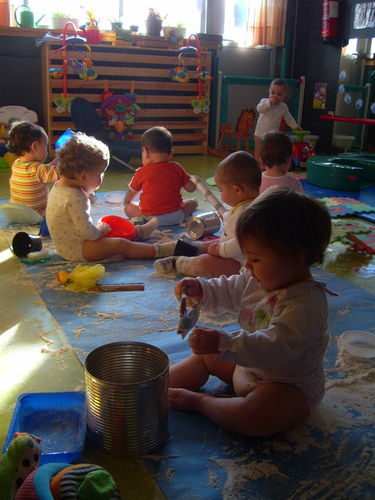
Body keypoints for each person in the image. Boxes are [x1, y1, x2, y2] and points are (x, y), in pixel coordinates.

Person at [168, 187, 337, 437]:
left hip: (284, 386)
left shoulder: (306, 306)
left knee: (257, 416)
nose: (247, 265)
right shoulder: (261, 276)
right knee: (204, 357)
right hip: (246, 366)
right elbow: (232, 288)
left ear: (294, 257)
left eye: (255, 259)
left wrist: (223, 343)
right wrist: (202, 289)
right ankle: (154, 387)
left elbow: (274, 346)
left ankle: (201, 403)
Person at [46, 132, 177, 262]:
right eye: (101, 173)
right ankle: (159, 250)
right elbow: (89, 233)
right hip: (76, 250)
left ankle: (139, 232)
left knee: (109, 227)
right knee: (120, 245)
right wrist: (100, 232)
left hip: (67, 244)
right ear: (83, 176)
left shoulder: (59, 186)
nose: (102, 177)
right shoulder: (76, 198)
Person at [154, 151, 261, 278]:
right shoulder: (251, 206)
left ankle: (179, 263)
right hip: (230, 250)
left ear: (237, 190)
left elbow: (241, 244)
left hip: (241, 263)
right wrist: (226, 217)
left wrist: (219, 250)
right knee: (208, 246)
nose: (220, 194)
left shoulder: (246, 215)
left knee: (206, 263)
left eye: (221, 190)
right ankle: (193, 249)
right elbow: (235, 222)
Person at [123, 126, 198, 225]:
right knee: (190, 203)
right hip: (176, 217)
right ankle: (195, 202)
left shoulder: (141, 172)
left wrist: (126, 202)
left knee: (128, 208)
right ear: (170, 154)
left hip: (149, 219)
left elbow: (131, 193)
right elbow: (191, 188)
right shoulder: (177, 168)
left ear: (145, 152)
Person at [7, 121, 60, 217]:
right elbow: (61, 175)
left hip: (17, 212)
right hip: (37, 213)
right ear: (35, 146)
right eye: (45, 147)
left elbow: (37, 172)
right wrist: (66, 164)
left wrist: (50, 165)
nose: (47, 151)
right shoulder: (38, 169)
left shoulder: (16, 164)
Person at [254, 78, 302, 166]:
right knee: (258, 149)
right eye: (273, 93)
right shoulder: (265, 102)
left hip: (273, 135)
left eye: (279, 94)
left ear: (285, 96)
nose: (275, 96)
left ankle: (269, 164)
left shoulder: (283, 107)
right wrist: (270, 103)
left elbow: (289, 118)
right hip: (260, 133)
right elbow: (259, 109)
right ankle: (258, 164)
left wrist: (295, 126)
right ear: (269, 92)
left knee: (271, 150)